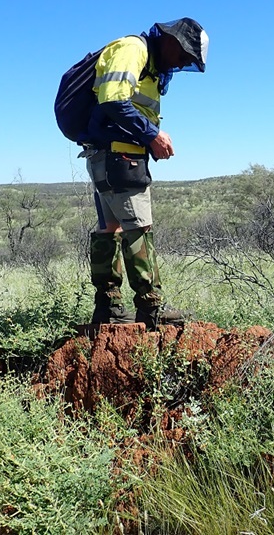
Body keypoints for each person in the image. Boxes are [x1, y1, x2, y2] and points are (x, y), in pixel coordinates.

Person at [79, 18, 209, 329]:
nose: (181, 65)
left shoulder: (148, 63)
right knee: (139, 227)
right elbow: (112, 100)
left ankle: (108, 307)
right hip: (120, 157)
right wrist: (151, 134)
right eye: (184, 57)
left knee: (110, 228)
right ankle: (151, 308)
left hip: (111, 155)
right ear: (171, 42)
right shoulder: (133, 49)